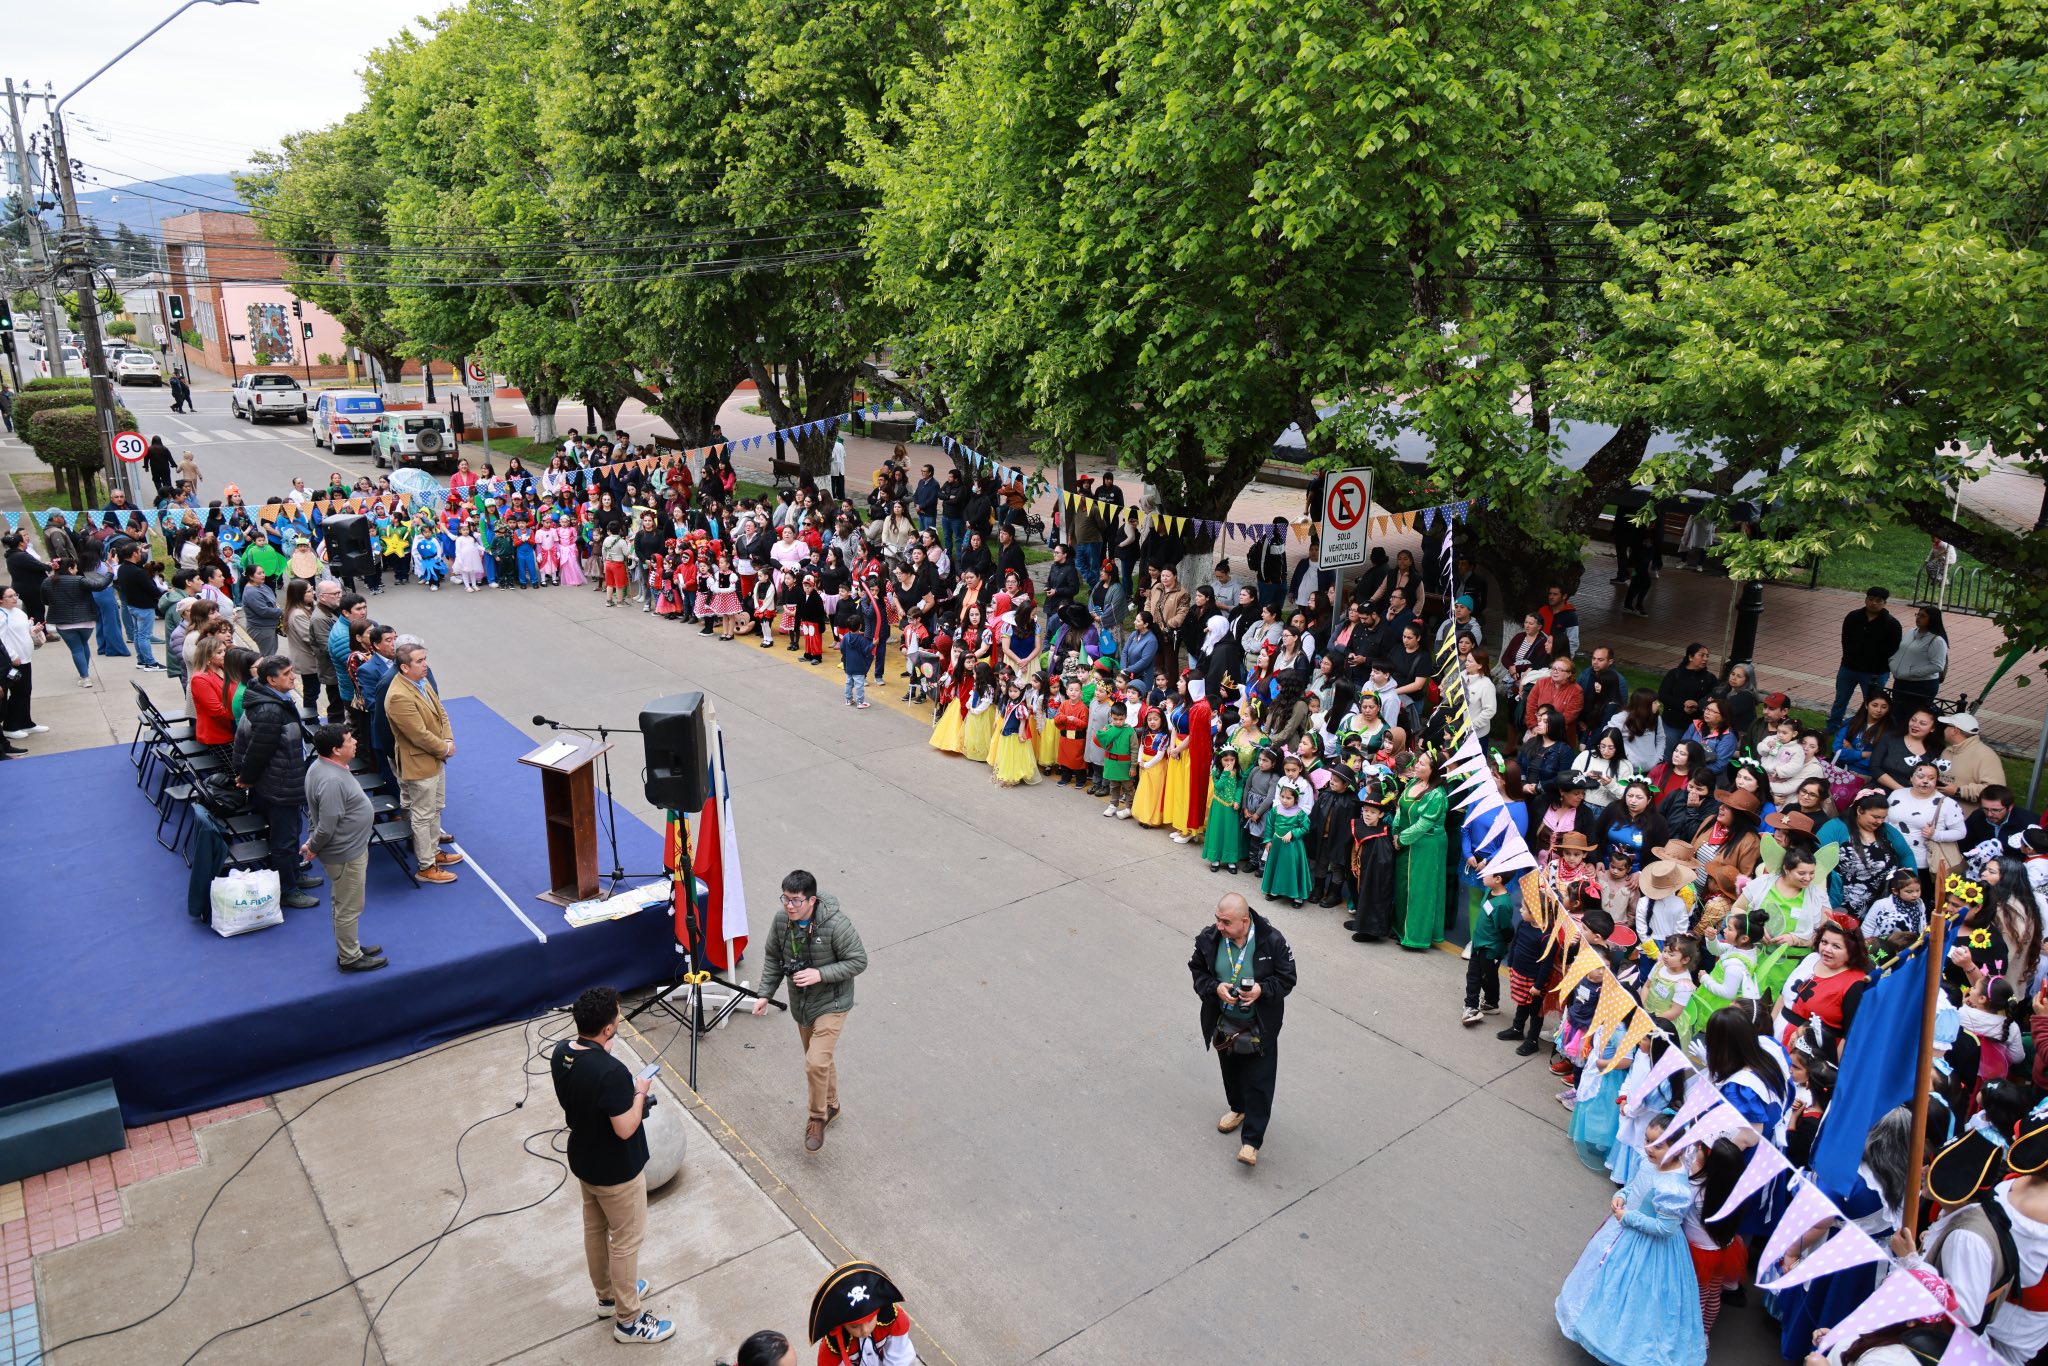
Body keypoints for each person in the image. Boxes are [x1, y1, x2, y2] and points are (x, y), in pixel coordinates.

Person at [549, 986, 676, 1345]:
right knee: (625, 1241)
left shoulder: (562, 1053)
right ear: (607, 1028)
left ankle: (607, 1296)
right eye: (617, 1016)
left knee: (595, 1230)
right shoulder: (610, 1072)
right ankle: (629, 1320)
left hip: (585, 1160)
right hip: (617, 1172)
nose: (619, 1019)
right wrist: (639, 1091)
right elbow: (625, 1128)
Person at [1553, 1113, 1706, 1366]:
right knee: (1605, 1281)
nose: (1648, 1148)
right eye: (1647, 1140)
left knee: (1638, 1299)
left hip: (1648, 1247)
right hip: (1623, 1230)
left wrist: (1628, 1217)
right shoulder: (1649, 1162)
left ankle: (1618, 1346)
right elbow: (1635, 1186)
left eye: (1657, 1145)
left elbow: (1665, 1228)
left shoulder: (1674, 1188)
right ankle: (1592, 1324)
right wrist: (1623, 1195)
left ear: (1677, 1148)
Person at [749, 870, 870, 1152]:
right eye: (785, 899)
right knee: (819, 1060)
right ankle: (832, 1104)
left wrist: (820, 974)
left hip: (832, 1002)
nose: (789, 906)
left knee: (815, 1062)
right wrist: (765, 994)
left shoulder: (836, 924)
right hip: (802, 1004)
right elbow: (773, 958)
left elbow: (858, 960)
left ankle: (817, 1117)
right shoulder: (781, 921)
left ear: (812, 900)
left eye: (796, 901)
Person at [1189, 893, 1297, 1167]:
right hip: (1225, 1023)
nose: (1219, 926)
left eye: (1226, 922)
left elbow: (1287, 978)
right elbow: (1197, 971)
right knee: (1231, 1074)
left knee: (1259, 1083)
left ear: (1245, 921)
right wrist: (1215, 988)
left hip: (1259, 1027)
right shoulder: (1209, 939)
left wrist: (1262, 990)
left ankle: (1251, 1141)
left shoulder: (1272, 941)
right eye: (1217, 919)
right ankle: (1237, 1109)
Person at [231, 656, 323, 911]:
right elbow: (258, 752)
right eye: (286, 673)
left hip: (283, 779)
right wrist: (247, 779)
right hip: (279, 785)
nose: (293, 677)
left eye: (292, 671)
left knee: (292, 832)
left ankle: (294, 874)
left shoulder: (275, 699)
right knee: (284, 839)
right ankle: (287, 890)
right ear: (271, 680)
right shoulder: (270, 711)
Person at [302, 725, 382, 973]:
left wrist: (313, 842)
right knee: (349, 906)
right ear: (336, 750)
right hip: (345, 854)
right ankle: (349, 958)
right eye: (349, 740)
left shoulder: (321, 767)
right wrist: (313, 846)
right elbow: (326, 825)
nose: (355, 741)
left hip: (347, 849)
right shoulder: (331, 780)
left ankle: (350, 946)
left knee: (343, 902)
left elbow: (316, 813)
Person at [383, 642, 464, 884]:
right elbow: (417, 735)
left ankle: (434, 851)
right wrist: (444, 748)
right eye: (419, 661)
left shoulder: (421, 681)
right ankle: (426, 866)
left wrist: (448, 739)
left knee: (435, 807)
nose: (425, 664)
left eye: (425, 659)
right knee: (422, 814)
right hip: (419, 763)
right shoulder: (398, 696)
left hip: (435, 757)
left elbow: (441, 712)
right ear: (405, 667)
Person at [0, 587, 40, 750]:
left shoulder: (19, 612)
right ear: (1, 600)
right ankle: (10, 726)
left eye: (15, 595)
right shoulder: (2, 616)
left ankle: (25, 722)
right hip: (14, 661)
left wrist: (33, 630)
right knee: (17, 693)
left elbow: (24, 631)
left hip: (25, 657)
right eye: (10, 596)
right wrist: (12, 655)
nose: (14, 598)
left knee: (26, 691)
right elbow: (1, 640)